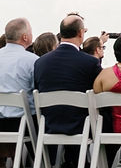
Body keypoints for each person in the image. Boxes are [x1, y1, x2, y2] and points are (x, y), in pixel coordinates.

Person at [31, 16, 101, 155]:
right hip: (81, 126)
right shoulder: (90, 62)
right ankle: (100, 166)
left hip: (49, 124)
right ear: (81, 33)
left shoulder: (40, 63)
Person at [0, 18, 37, 139]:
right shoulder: (32, 60)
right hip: (23, 124)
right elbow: (37, 91)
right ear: (25, 37)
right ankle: (43, 158)